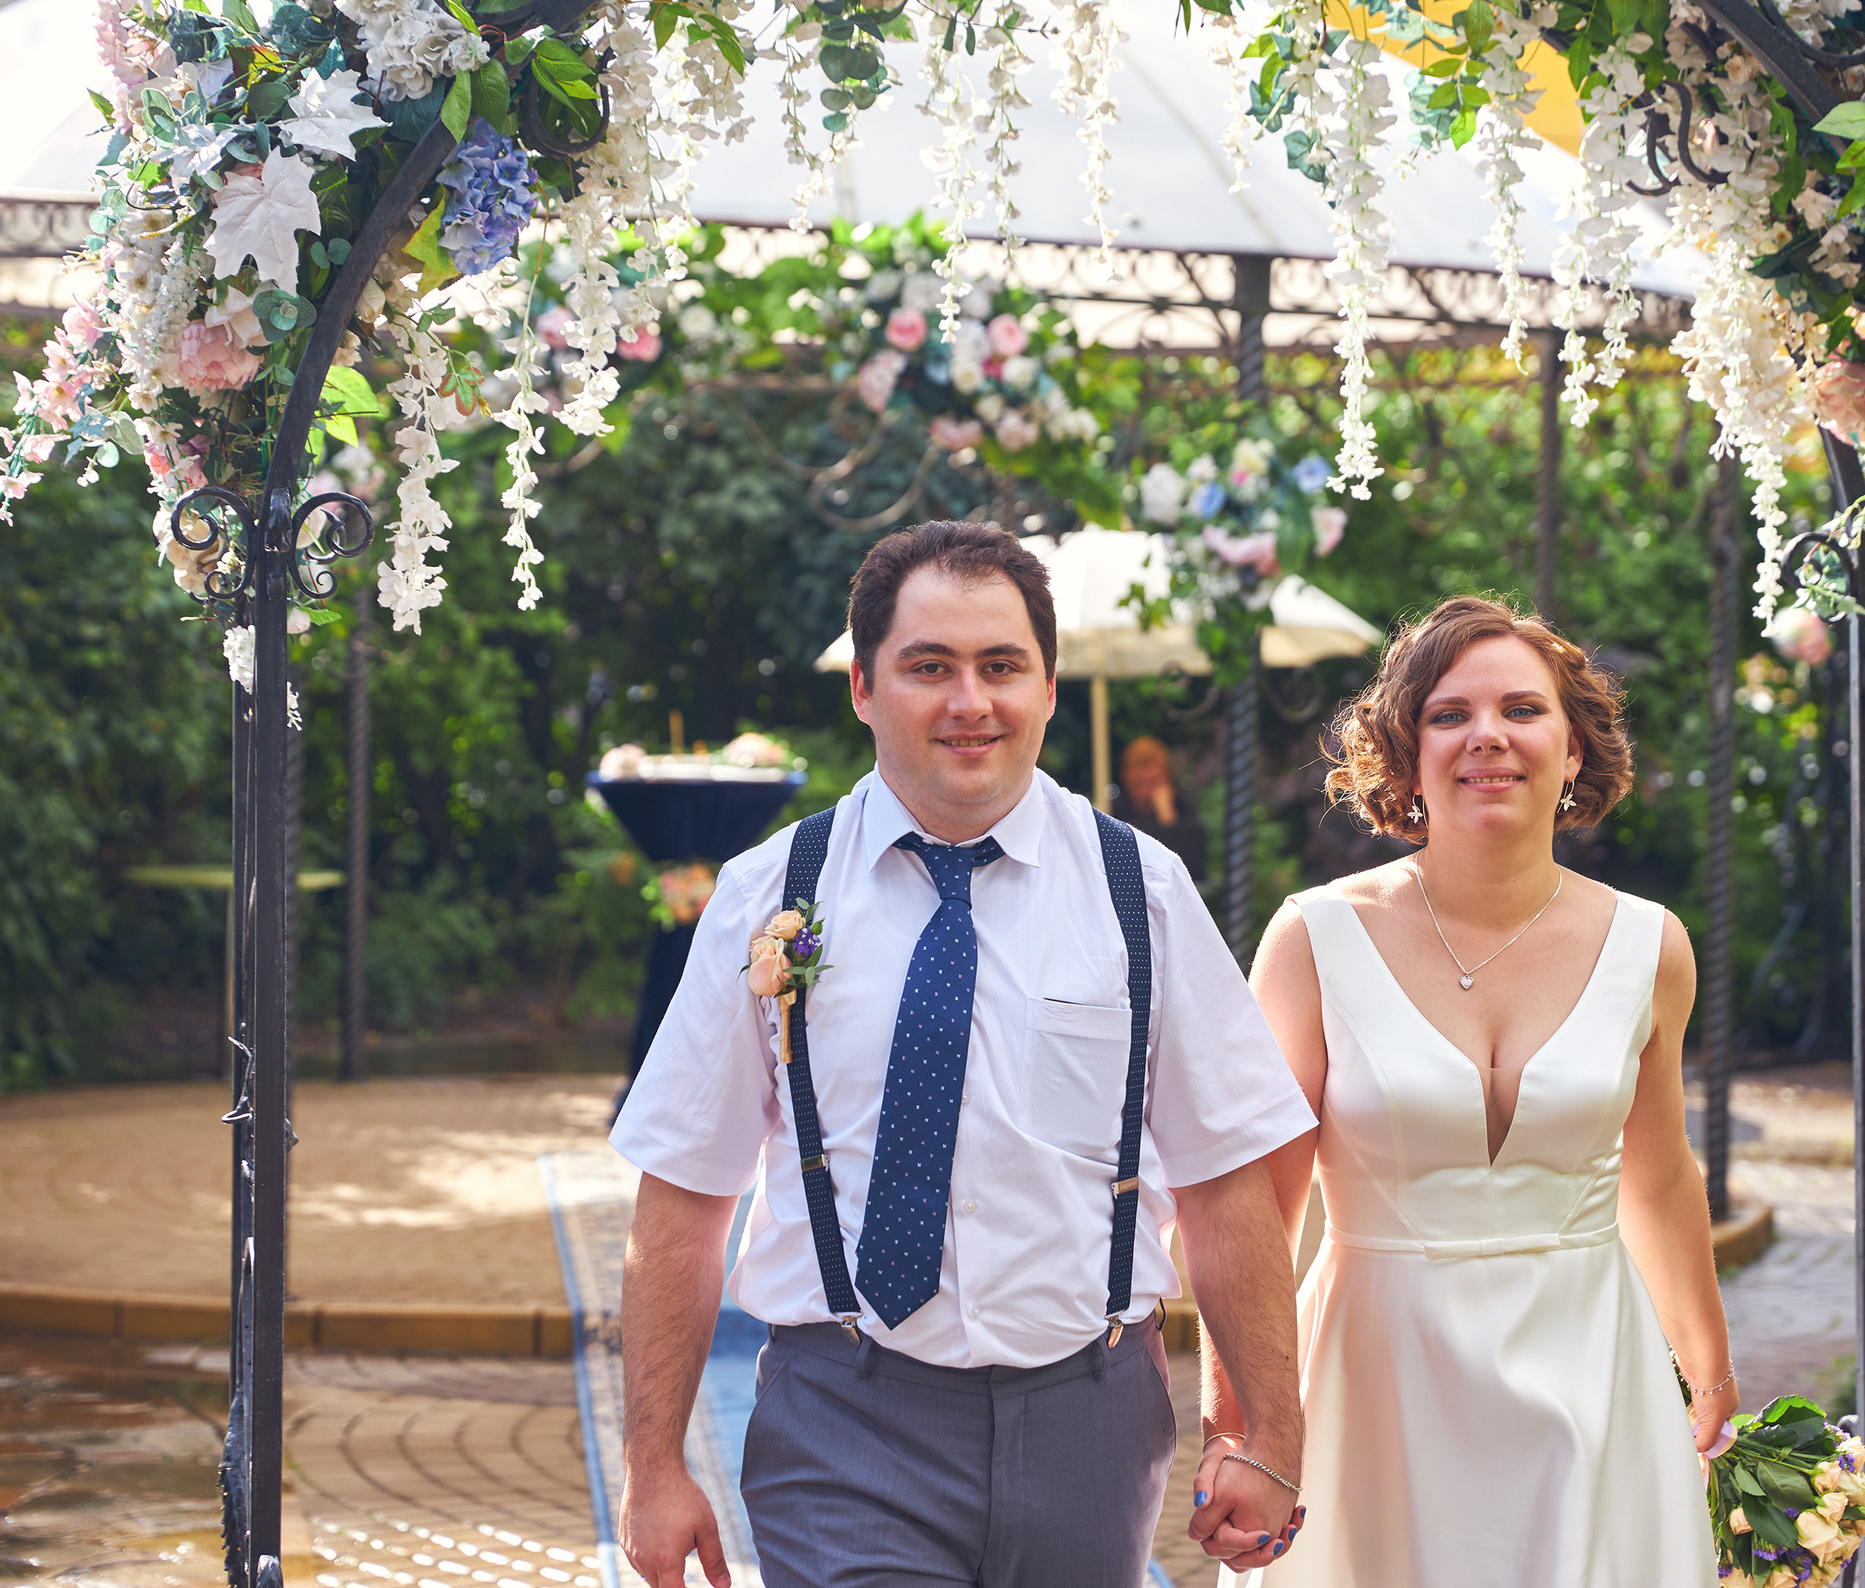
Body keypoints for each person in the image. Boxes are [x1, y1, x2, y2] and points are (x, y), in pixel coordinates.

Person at [611, 520, 1319, 1588]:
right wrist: (652, 1466)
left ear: (1045, 685)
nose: (968, 702)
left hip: (1092, 1418)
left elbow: (1223, 1188)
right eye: (928, 667)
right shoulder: (769, 894)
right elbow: (683, 1197)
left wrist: (1270, 1435)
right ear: (863, 687)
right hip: (841, 1418)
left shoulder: (1143, 894)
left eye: (1001, 667)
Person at [1207, 594, 1732, 1587]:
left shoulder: (1649, 944)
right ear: (1405, 757)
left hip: (1591, 1376)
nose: (1486, 736)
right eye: (1448, 715)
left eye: (1522, 711)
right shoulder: (1312, 940)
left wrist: (1706, 1366)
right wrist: (1239, 1422)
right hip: (1377, 1383)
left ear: (1572, 750)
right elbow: (1257, 1211)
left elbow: (1657, 1179)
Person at [1110, 735, 1208, 884]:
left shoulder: (1182, 809)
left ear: (1166, 775)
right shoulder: (1113, 812)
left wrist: (1167, 816)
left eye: (1153, 782)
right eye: (1139, 783)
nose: (1146, 791)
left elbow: (1188, 868)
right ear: (1125, 777)